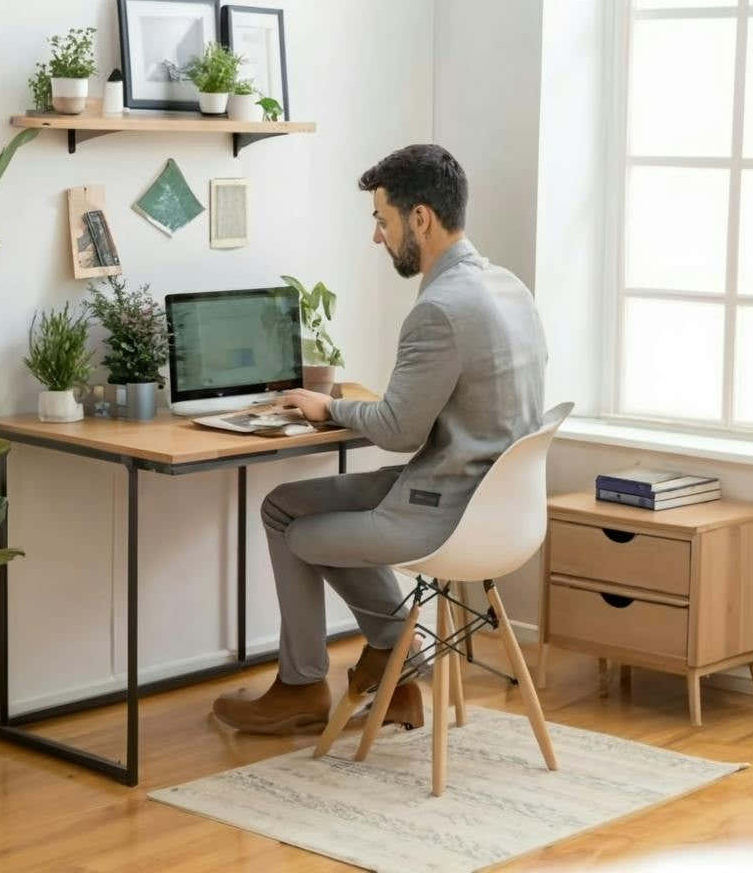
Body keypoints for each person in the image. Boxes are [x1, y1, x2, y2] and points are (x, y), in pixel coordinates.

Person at [212, 143, 548, 734]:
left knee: (297, 532)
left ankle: (306, 686)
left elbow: (398, 431)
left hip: (447, 512)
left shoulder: (440, 308)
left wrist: (329, 407)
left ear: (420, 218)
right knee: (282, 504)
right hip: (501, 509)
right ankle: (396, 668)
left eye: (381, 220)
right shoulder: (509, 287)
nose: (376, 237)